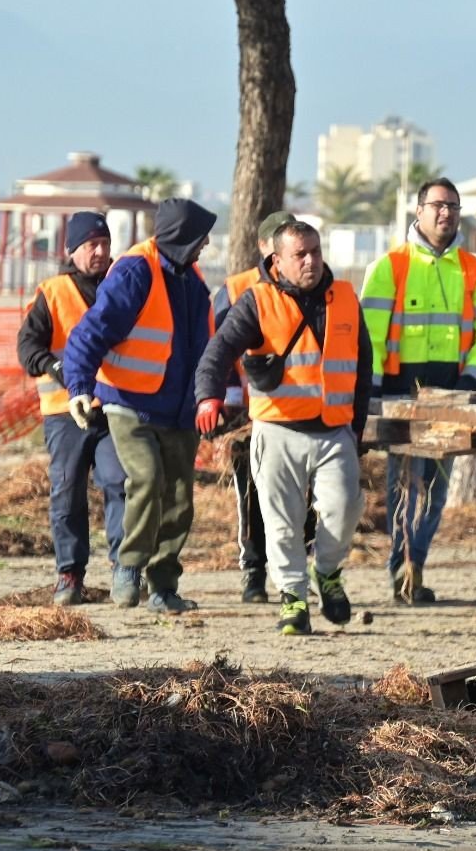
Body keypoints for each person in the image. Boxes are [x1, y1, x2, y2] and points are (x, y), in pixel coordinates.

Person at [195, 220, 372, 636]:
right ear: (277, 260)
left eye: (316, 251)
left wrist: (357, 428)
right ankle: (293, 598)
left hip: (334, 430)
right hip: (277, 430)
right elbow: (218, 351)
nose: (311, 261)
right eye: (300, 254)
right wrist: (208, 396)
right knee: (282, 523)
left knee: (345, 508)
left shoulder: (346, 297)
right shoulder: (257, 300)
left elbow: (363, 366)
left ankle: (326, 572)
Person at [62, 197, 216, 614]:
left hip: (179, 409)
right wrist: (79, 386)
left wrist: (212, 397)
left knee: (180, 499)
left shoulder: (191, 278)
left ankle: (163, 587)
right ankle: (128, 567)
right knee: (147, 479)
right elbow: (90, 332)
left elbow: (206, 346)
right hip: (129, 401)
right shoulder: (135, 271)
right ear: (182, 237)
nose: (205, 245)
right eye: (201, 238)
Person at [359, 177, 476, 604]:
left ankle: (414, 566)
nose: (446, 213)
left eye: (453, 207)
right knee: (405, 490)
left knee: (437, 492)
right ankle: (402, 573)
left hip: (452, 399)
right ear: (419, 211)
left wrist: (471, 382)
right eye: (438, 205)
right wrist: (372, 392)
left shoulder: (472, 269)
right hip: (400, 399)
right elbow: (369, 336)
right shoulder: (390, 266)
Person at [16, 211, 126, 606]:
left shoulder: (123, 285)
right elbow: (28, 348)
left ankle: (124, 570)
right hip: (64, 413)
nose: (100, 251)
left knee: (120, 483)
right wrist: (55, 367)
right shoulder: (52, 292)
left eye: (105, 243)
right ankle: (70, 574)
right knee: (67, 490)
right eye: (91, 244)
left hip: (113, 407)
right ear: (73, 249)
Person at [212, 209, 317, 604]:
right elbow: (219, 349)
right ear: (263, 247)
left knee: (306, 498)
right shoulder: (236, 288)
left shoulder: (315, 290)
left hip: (304, 413)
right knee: (251, 496)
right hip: (248, 413)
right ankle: (254, 572)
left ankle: (299, 573)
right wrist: (228, 401)